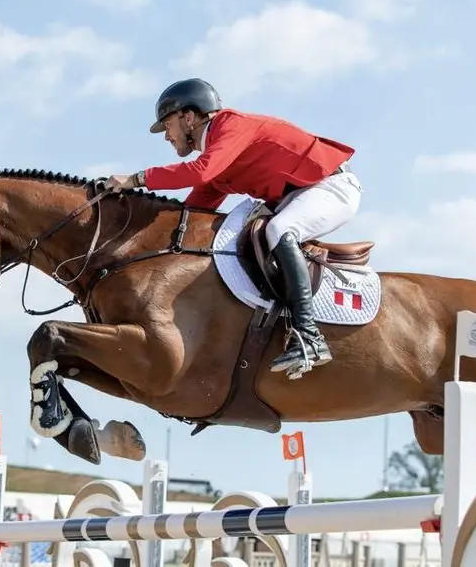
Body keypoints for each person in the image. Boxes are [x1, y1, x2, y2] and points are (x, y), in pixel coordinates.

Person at [103, 78, 364, 378]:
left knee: (279, 230)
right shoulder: (217, 153)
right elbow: (191, 214)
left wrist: (136, 179)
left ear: (188, 117)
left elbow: (202, 171)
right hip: (298, 194)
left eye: (167, 125)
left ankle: (309, 336)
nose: (166, 136)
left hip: (331, 185)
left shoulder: (230, 126)